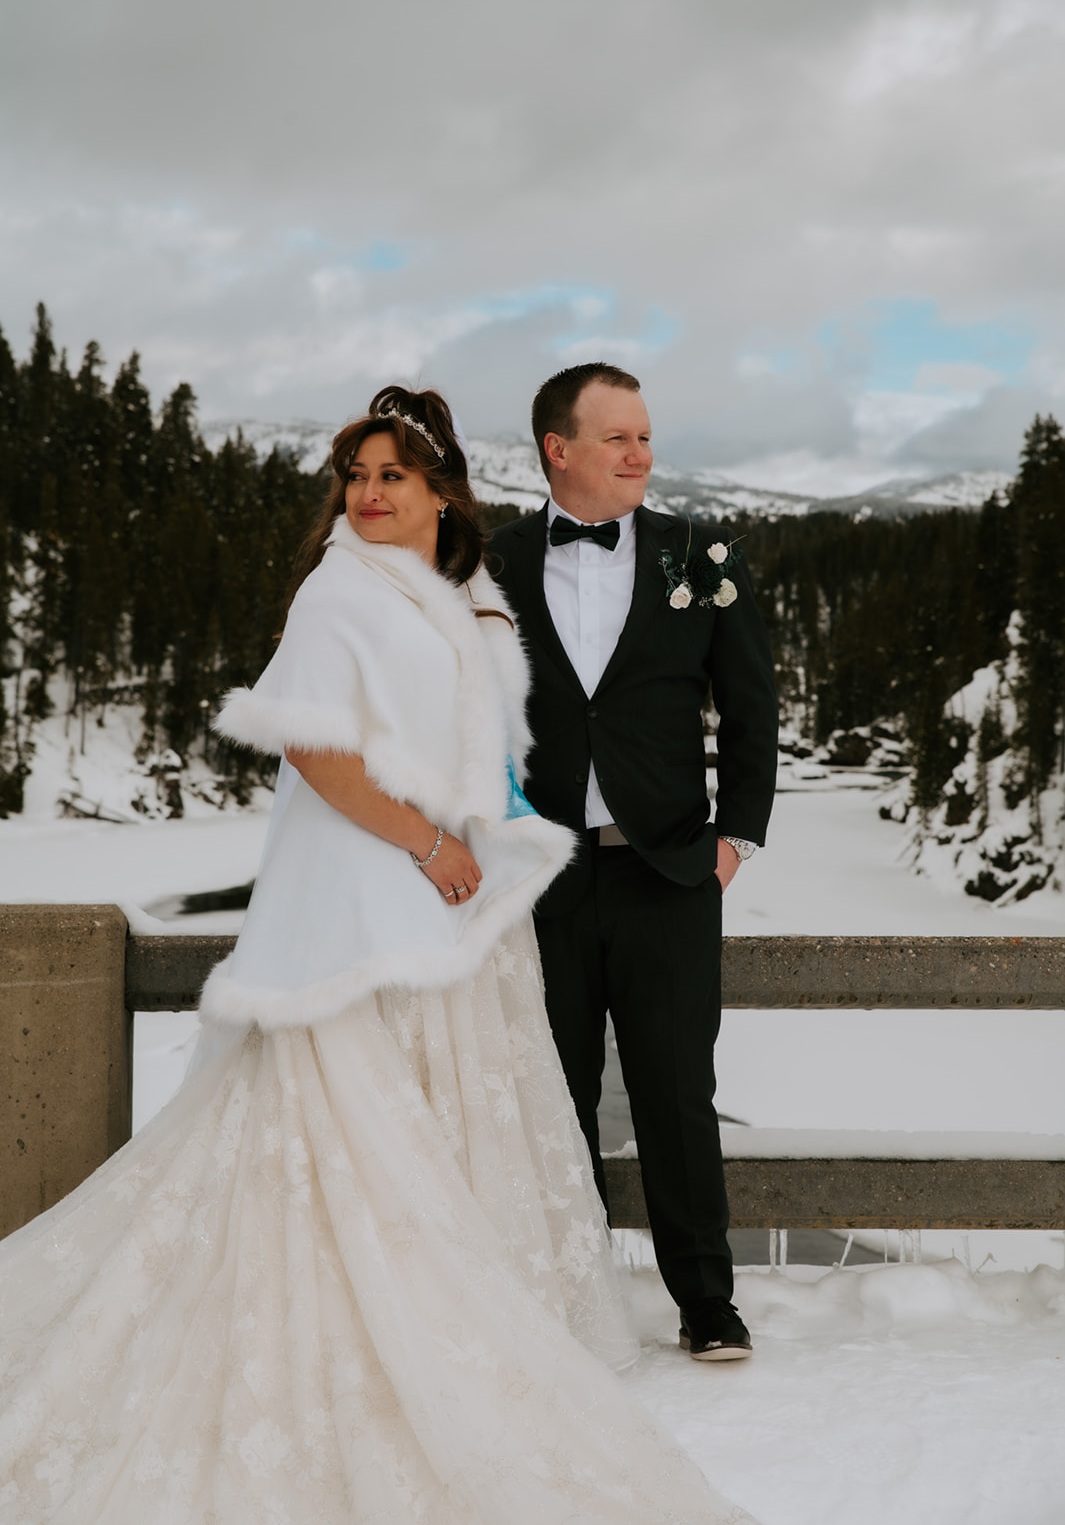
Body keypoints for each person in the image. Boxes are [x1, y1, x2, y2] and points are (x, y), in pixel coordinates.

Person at [0, 386, 760, 1524]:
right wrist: (427, 842)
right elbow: (314, 745)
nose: (365, 495)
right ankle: (365, 1314)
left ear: (436, 489)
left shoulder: (462, 583)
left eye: (389, 476)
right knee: (346, 1120)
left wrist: (696, 828)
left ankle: (629, 1302)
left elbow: (569, 724)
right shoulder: (339, 587)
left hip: (489, 886)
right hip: (375, 881)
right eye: (355, 476)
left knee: (530, 1097)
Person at [491, 364, 778, 1364]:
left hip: (668, 875)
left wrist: (735, 842)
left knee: (672, 1093)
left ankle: (707, 1304)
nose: (642, 456)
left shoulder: (699, 555)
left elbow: (751, 703)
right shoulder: (491, 564)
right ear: (558, 449)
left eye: (646, 437)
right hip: (539, 879)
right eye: (619, 439)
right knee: (551, 1096)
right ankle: (562, 1299)